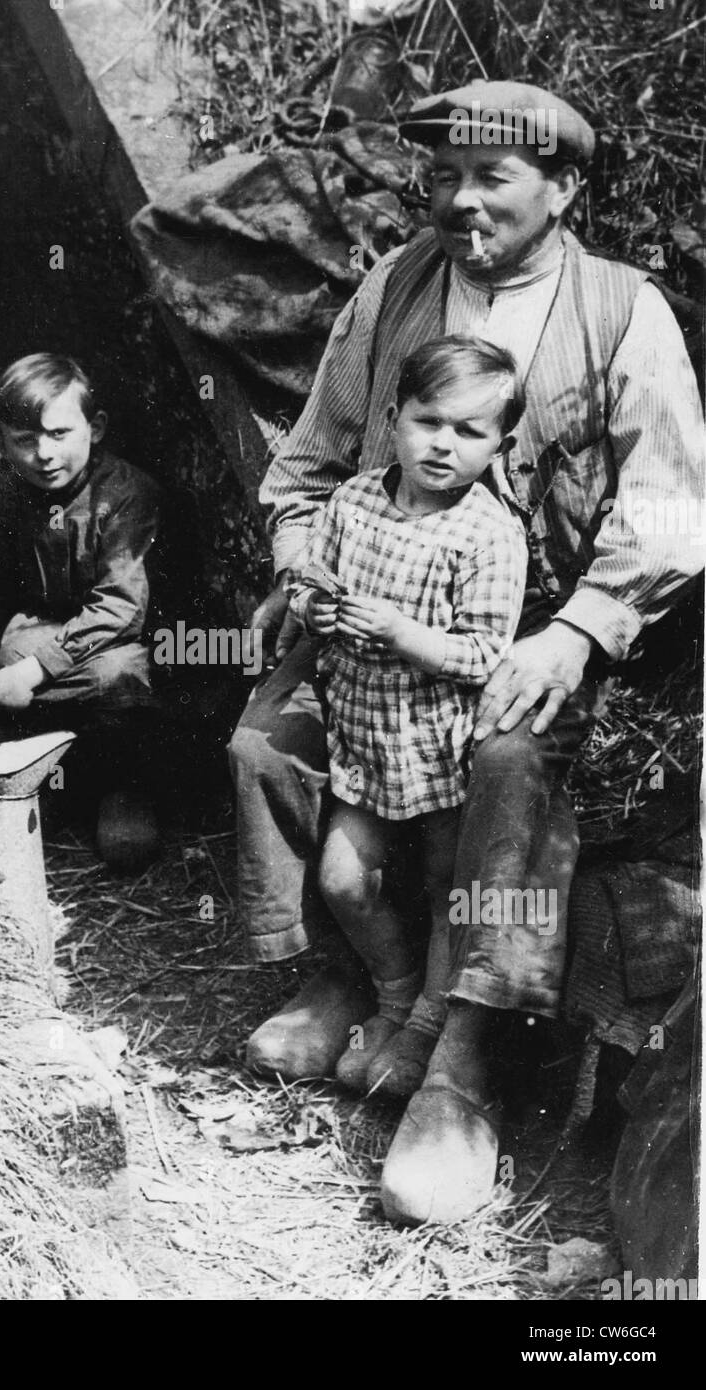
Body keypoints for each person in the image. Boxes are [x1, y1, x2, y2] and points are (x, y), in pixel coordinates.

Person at [228, 80, 704, 1222]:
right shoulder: (392, 287)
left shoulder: (619, 311)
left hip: (524, 623)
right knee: (263, 740)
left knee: (506, 767)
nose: (457, 201)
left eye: (488, 177)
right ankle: (345, 969)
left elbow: (672, 509)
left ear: (561, 189)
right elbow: (305, 464)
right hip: (375, 607)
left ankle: (466, 1056)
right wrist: (305, 568)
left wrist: (579, 630)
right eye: (439, 177)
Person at [290, 336, 527, 1096]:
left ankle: (428, 1021)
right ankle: (389, 994)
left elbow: (484, 653)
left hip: (439, 741)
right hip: (363, 738)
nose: (442, 445)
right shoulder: (354, 501)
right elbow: (306, 592)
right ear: (392, 418)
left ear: (499, 445)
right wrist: (314, 605)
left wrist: (401, 633)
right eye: (428, 422)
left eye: (470, 432)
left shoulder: (486, 532)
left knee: (441, 886)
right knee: (343, 879)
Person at [0, 353, 162, 872]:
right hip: (44, 633)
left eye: (59, 434)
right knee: (9, 649)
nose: (44, 454)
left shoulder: (127, 494)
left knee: (120, 678)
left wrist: (35, 667)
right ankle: (36, 780)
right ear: (2, 441)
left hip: (118, 643)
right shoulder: (6, 500)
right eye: (24, 439)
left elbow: (120, 604)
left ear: (96, 427)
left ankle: (123, 787)